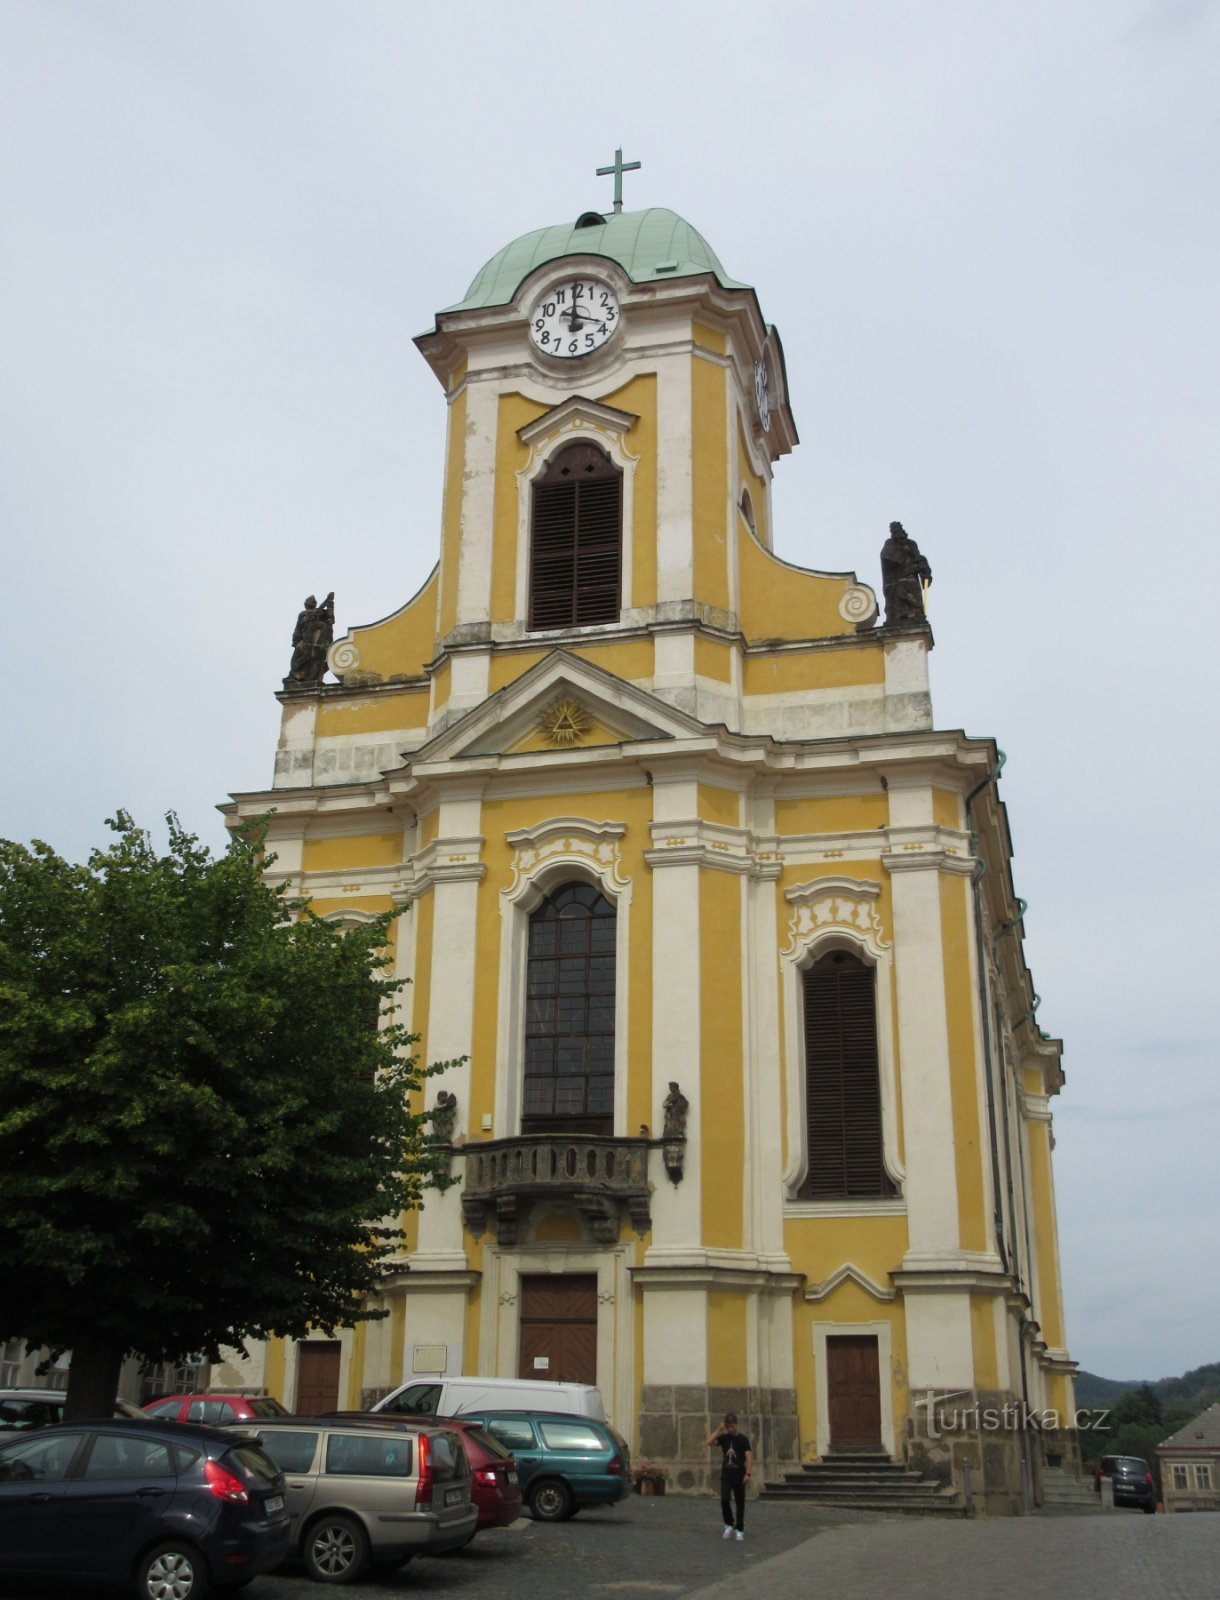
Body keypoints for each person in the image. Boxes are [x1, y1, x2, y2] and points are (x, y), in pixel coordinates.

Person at [707, 1411, 753, 1540]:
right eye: (728, 1427)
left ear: (736, 1424)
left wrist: (748, 1473)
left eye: (732, 1426)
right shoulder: (724, 1438)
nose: (730, 1429)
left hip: (739, 1475)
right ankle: (728, 1524)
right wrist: (719, 1429)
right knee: (724, 1499)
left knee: (740, 1502)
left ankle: (739, 1528)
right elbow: (709, 1442)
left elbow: (749, 1457)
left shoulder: (743, 1439)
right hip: (726, 1475)